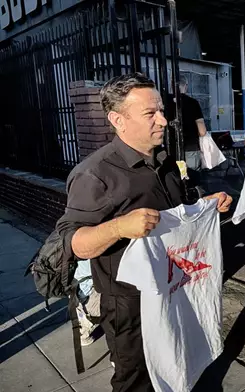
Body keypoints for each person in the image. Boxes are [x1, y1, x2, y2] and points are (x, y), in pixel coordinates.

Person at [56, 73, 232, 392]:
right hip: (130, 306)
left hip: (175, 289)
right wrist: (120, 227)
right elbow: (74, 245)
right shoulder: (94, 174)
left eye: (161, 111)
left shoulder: (164, 161)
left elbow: (173, 215)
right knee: (136, 380)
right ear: (117, 120)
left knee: (180, 362)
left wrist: (204, 205)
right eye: (151, 114)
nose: (164, 121)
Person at [168, 75, 209, 190]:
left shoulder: (165, 103)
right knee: (192, 179)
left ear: (172, 86)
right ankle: (194, 202)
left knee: (174, 178)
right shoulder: (193, 103)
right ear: (185, 86)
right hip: (190, 148)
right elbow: (202, 131)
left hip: (170, 149)